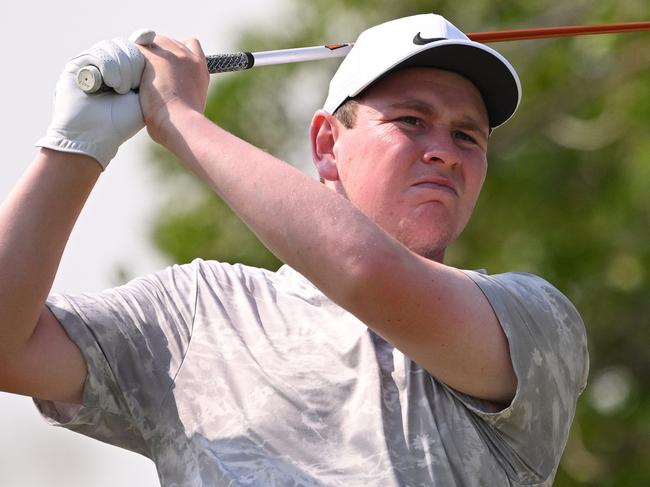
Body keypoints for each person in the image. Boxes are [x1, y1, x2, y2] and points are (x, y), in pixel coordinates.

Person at [0, 13, 588, 486]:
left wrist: (177, 118)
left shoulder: (535, 318)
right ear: (328, 145)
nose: (446, 151)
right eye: (412, 121)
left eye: (468, 136)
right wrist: (75, 146)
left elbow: (366, 273)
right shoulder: (195, 310)